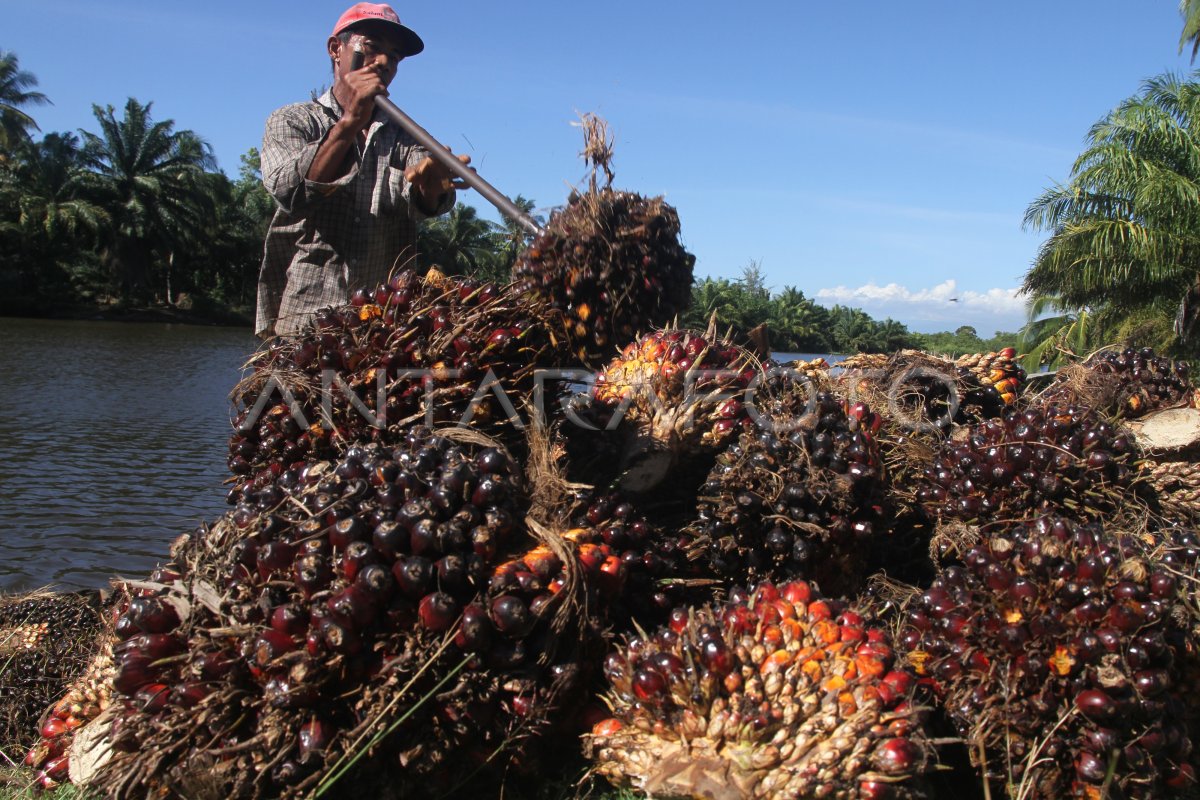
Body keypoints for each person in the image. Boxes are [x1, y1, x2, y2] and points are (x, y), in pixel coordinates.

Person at [255, 2, 470, 338]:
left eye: (394, 57)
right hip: (302, 324)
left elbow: (422, 191)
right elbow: (290, 192)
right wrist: (351, 120)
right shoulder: (292, 121)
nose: (384, 62)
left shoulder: (404, 137)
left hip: (380, 328)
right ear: (335, 50)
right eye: (372, 47)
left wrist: (431, 186)